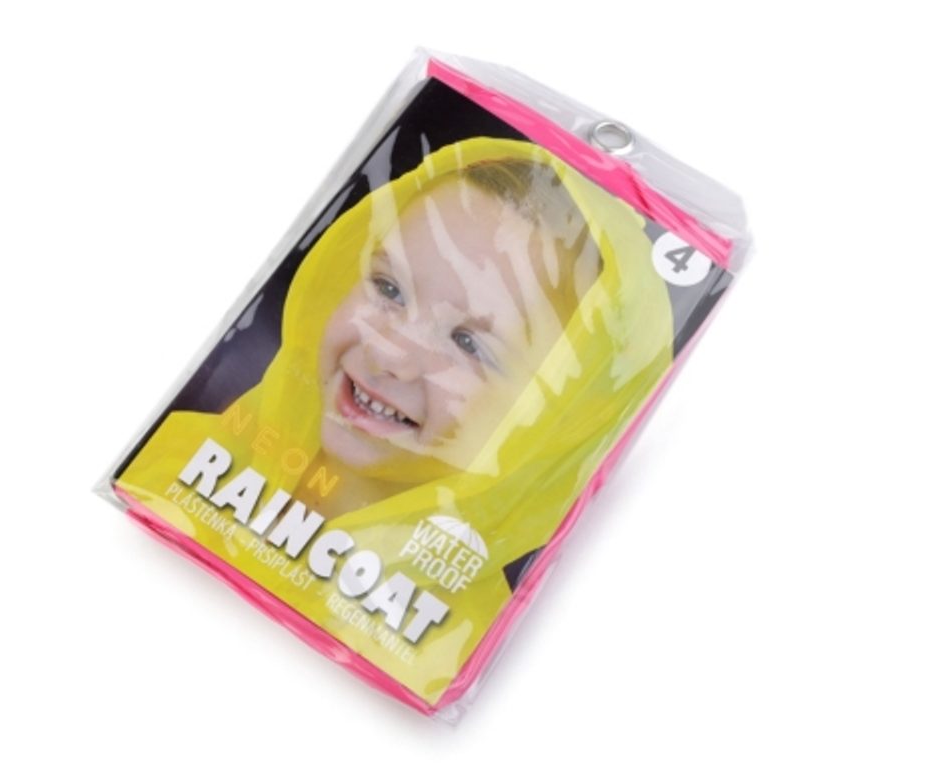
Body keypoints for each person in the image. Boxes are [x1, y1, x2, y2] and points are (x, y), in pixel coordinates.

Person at [115, 136, 675, 706]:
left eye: (469, 344)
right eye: (388, 288)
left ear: (559, 420)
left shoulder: (447, 642)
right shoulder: (179, 464)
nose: (389, 352)